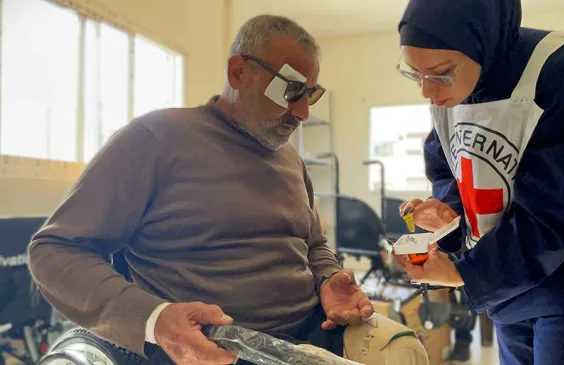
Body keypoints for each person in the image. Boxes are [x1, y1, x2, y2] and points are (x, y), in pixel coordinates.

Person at [28, 15, 428, 365]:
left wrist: (328, 278)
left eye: (311, 95)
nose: (303, 113)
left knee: (403, 350)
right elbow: (54, 251)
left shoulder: (291, 160)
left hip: (310, 334)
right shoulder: (154, 140)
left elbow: (313, 243)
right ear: (239, 72)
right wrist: (154, 318)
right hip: (208, 349)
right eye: (291, 91)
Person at [393, 0, 564, 364]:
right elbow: (448, 166)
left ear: (482, 44)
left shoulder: (561, 69)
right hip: (510, 278)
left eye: (441, 73)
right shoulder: (449, 92)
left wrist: (466, 274)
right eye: (415, 73)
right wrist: (451, 211)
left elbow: (552, 214)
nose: (427, 91)